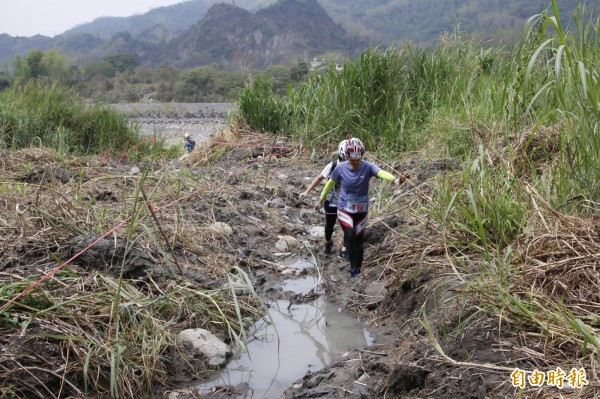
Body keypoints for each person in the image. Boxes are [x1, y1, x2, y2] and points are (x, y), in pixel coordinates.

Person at [317, 137, 407, 277]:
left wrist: (395, 180)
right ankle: (353, 270)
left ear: (362, 156)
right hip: (344, 209)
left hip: (361, 210)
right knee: (350, 235)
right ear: (347, 157)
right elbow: (329, 184)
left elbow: (381, 172)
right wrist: (321, 198)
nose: (355, 163)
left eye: (358, 159)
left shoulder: (368, 167)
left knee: (359, 240)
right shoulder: (340, 168)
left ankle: (358, 269)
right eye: (352, 160)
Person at [300, 140, 348, 256]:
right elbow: (319, 178)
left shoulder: (353, 167)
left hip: (346, 202)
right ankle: (328, 241)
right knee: (329, 225)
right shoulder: (332, 166)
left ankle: (344, 250)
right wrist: (307, 191)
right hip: (331, 201)